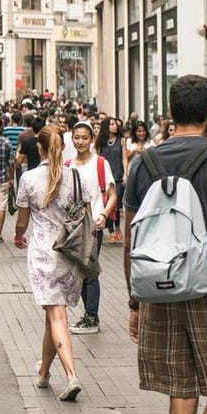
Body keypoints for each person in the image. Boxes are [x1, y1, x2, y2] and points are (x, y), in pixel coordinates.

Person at [124, 75, 207, 414]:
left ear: (169, 112)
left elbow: (133, 236)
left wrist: (134, 302)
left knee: (181, 395)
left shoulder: (143, 163)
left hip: (158, 291)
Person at [13, 126, 96, 403]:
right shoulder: (75, 176)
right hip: (71, 255)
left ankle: (71, 376)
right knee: (53, 314)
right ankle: (44, 372)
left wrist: (17, 236)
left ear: (40, 148)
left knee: (56, 315)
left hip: (44, 254)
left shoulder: (29, 179)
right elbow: (87, 215)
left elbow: (22, 221)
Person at [66, 122, 116, 335]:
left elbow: (113, 194)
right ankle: (89, 314)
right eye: (77, 137)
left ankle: (92, 316)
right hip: (74, 227)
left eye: (84, 138)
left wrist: (104, 215)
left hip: (94, 224)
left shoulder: (100, 163)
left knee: (90, 270)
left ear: (92, 139)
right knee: (82, 270)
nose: (80, 141)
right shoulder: (68, 165)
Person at [96, 117, 125, 245]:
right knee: (107, 204)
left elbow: (124, 158)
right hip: (105, 177)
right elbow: (97, 158)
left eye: (115, 124)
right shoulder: (100, 142)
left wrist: (126, 173)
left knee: (116, 204)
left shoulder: (121, 140)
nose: (115, 126)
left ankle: (117, 226)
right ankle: (112, 232)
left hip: (118, 175)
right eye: (112, 124)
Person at [123, 120, 153, 184]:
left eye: (143, 131)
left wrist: (146, 152)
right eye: (139, 131)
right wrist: (134, 151)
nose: (142, 133)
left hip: (146, 173)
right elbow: (126, 158)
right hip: (132, 173)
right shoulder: (129, 141)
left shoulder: (150, 142)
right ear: (135, 132)